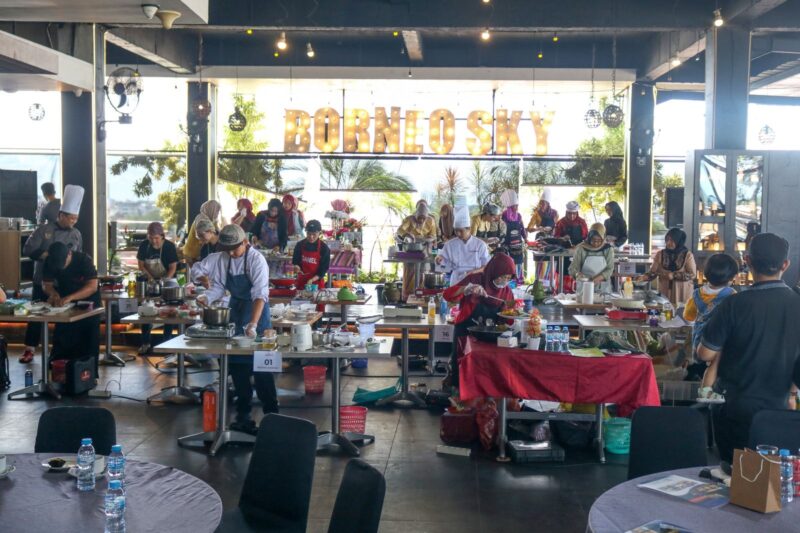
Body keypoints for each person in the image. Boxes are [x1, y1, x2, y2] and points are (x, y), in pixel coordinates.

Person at [698, 233, 800, 464]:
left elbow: (705, 353)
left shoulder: (733, 304)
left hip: (733, 409)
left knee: (734, 477)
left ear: (747, 260)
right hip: (779, 410)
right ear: (785, 264)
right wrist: (792, 393)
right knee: (773, 482)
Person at [192, 224, 276, 435]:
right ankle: (243, 417)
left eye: (234, 248)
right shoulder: (223, 258)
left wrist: (253, 325)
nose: (230, 253)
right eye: (227, 248)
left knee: (262, 367)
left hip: (258, 313)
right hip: (236, 311)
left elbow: (259, 295)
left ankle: (272, 417)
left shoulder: (257, 260)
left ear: (245, 243)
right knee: (237, 366)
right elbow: (219, 286)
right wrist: (206, 297)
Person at [19, 185, 84, 364]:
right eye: (71, 218)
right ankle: (29, 349)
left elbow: (78, 257)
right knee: (36, 315)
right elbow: (28, 249)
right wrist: (47, 256)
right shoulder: (43, 230)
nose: (73, 221)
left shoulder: (76, 234)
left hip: (63, 282)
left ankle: (59, 353)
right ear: (61, 215)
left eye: (76, 218)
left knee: (63, 317)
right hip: (42, 279)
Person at [442, 253, 516, 388]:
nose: (505, 281)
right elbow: (447, 295)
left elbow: (510, 316)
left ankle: (485, 404)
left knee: (485, 373)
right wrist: (467, 289)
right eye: (503, 276)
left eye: (508, 278)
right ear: (495, 271)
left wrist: (512, 315)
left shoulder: (507, 292)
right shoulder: (474, 279)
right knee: (462, 370)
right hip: (465, 332)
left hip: (490, 337)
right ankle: (460, 401)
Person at [682, 253, 739, 399]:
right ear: (732, 277)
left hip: (699, 342)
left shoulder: (696, 294)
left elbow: (688, 316)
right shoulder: (732, 295)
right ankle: (709, 392)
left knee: (706, 367)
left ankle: (705, 391)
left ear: (706, 273)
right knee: (716, 364)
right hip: (720, 342)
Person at [42, 242, 101, 366]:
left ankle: (87, 375)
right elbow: (46, 284)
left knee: (88, 340)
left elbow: (92, 286)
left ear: (69, 253)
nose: (61, 267)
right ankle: (61, 372)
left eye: (63, 263)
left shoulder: (84, 260)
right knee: (63, 337)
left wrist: (71, 297)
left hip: (89, 302)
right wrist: (53, 294)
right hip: (64, 303)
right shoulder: (49, 261)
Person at [136, 222, 179, 354]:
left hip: (168, 281)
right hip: (150, 281)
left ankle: (167, 342)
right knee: (146, 310)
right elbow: (141, 265)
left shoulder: (169, 247)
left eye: (156, 238)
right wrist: (150, 279)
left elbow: (173, 267)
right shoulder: (144, 246)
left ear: (162, 236)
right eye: (151, 238)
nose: (154, 241)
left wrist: (164, 281)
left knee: (169, 311)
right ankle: (145, 342)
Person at [639, 227, 697, 305]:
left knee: (680, 314)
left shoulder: (688, 255)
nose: (669, 243)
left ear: (679, 241)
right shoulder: (660, 254)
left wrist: (674, 275)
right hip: (664, 292)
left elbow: (692, 274)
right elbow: (653, 272)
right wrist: (645, 277)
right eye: (667, 240)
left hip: (682, 293)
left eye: (672, 241)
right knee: (663, 313)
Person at [436, 205, 491, 287]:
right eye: (456, 231)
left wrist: (472, 272)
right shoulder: (449, 244)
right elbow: (443, 263)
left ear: (468, 229)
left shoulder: (480, 245)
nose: (458, 234)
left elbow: (486, 266)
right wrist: (438, 259)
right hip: (456, 281)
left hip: (475, 281)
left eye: (461, 231)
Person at [397, 200, 437, 299]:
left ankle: (421, 296)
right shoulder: (409, 219)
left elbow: (433, 235)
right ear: (416, 215)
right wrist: (407, 234)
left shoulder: (431, 221)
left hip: (424, 249)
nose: (422, 220)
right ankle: (408, 297)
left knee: (423, 272)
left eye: (424, 218)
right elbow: (400, 230)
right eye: (420, 218)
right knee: (410, 273)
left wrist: (428, 239)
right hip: (410, 249)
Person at [568, 226, 615, 292]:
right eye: (593, 240)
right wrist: (578, 274)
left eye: (599, 241)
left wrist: (599, 278)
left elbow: (610, 268)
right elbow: (573, 268)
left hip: (603, 287)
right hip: (584, 285)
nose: (596, 243)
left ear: (603, 238)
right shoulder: (581, 248)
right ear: (589, 238)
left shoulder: (608, 249)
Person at [292, 220, 330, 291]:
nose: (311, 237)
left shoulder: (324, 248)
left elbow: (323, 269)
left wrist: (311, 280)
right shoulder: (300, 245)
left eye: (314, 234)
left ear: (319, 233)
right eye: (309, 234)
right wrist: (296, 267)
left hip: (316, 283)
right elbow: (295, 261)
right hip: (301, 282)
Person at [183, 200, 222, 266]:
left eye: (218, 212)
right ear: (211, 209)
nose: (217, 214)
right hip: (192, 253)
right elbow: (201, 234)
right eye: (216, 211)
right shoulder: (201, 218)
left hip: (199, 253)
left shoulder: (212, 220)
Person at [500, 189, 528, 281]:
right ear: (510, 206)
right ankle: (510, 284)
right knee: (509, 263)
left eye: (517, 205)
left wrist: (525, 238)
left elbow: (522, 227)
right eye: (515, 206)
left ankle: (518, 281)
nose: (516, 207)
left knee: (519, 262)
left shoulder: (518, 216)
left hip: (517, 245)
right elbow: (502, 229)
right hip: (508, 244)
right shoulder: (504, 216)